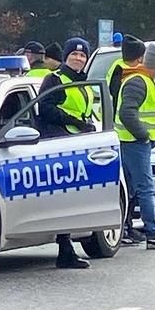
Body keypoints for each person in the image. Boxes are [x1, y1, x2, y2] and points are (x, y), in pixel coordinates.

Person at [38, 37, 95, 269]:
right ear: (66, 56)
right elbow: (45, 109)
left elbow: (88, 113)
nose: (79, 59)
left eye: (82, 56)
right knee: (63, 198)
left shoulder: (85, 84)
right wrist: (73, 123)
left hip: (79, 144)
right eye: (75, 54)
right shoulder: (55, 79)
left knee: (73, 199)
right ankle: (65, 248)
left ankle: (70, 246)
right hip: (59, 144)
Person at [116, 43, 155, 249]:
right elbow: (127, 113)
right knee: (146, 188)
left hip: (133, 143)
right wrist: (143, 136)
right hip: (134, 143)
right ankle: (153, 233)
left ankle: (125, 229)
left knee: (132, 188)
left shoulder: (144, 80)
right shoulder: (139, 81)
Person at [105, 35, 146, 245]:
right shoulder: (125, 71)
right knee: (129, 184)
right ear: (139, 56)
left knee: (130, 183)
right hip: (124, 134)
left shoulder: (116, 67)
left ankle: (126, 225)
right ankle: (126, 226)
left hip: (118, 132)